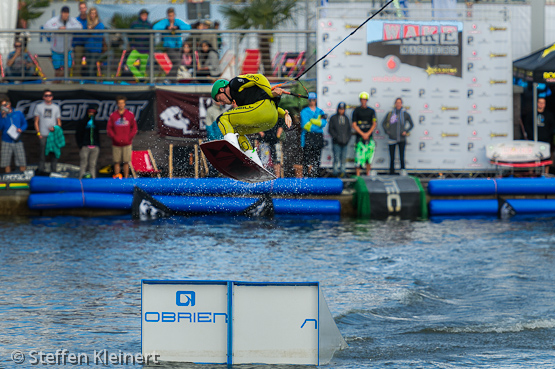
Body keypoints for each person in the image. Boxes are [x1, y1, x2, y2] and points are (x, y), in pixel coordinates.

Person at [211, 75, 291, 167]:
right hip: (270, 119)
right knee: (236, 131)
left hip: (263, 111)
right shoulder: (241, 97)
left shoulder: (234, 83)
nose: (222, 103)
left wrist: (269, 91)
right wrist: (284, 113)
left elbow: (260, 77)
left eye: (220, 99)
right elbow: (267, 102)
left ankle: (232, 148)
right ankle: (256, 162)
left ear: (222, 89)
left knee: (221, 119)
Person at [43, 6, 83, 79]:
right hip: (56, 49)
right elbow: (46, 26)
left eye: (67, 14)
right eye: (64, 13)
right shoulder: (54, 20)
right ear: (61, 13)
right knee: (57, 68)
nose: (65, 15)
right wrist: (58, 29)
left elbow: (80, 27)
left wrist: (67, 29)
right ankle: (58, 83)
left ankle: (57, 81)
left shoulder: (72, 20)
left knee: (68, 67)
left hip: (67, 49)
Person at [152, 8, 191, 78]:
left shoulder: (178, 22)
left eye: (172, 15)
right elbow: (155, 27)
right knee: (177, 62)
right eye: (169, 16)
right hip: (169, 46)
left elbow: (188, 27)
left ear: (174, 15)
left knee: (176, 64)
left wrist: (178, 27)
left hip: (178, 46)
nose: (171, 17)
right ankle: (168, 77)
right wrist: (166, 27)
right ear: (167, 16)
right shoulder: (165, 22)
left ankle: (173, 80)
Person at [107, 96, 138, 179]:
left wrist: (129, 137)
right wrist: (114, 137)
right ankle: (117, 177)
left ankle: (126, 177)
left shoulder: (130, 114)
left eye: (122, 103)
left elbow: (134, 128)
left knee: (126, 161)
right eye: (119, 103)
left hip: (127, 143)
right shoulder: (113, 115)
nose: (121, 105)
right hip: (116, 143)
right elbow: (109, 129)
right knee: (116, 161)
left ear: (124, 104)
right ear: (117, 104)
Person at [382, 97, 414, 175]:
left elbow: (411, 124)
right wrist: (388, 131)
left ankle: (402, 170)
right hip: (392, 138)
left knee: (401, 156)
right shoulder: (391, 114)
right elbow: (383, 123)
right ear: (395, 104)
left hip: (402, 139)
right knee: (392, 157)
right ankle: (391, 172)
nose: (398, 104)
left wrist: (405, 131)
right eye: (397, 102)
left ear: (402, 104)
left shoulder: (405, 114)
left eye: (400, 103)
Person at [524, 97, 555, 174]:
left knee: (546, 158)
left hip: (545, 141)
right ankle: (531, 174)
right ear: (537, 103)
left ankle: (546, 174)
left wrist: (547, 135)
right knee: (532, 157)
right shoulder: (531, 114)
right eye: (540, 102)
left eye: (543, 103)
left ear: (545, 104)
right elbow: (527, 125)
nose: (541, 104)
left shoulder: (549, 115)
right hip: (534, 140)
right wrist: (531, 135)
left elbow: (552, 126)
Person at [34, 90, 62, 173]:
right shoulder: (39, 106)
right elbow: (36, 121)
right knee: (42, 154)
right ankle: (41, 171)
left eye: (49, 95)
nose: (48, 97)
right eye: (46, 95)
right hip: (43, 134)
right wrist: (38, 133)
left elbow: (59, 122)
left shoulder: (56, 107)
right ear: (43, 97)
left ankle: (53, 171)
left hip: (53, 135)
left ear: (52, 97)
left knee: (54, 154)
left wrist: (55, 128)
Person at [300, 92, 327, 177]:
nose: (312, 102)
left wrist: (312, 121)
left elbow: (324, 123)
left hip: (318, 137)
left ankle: (316, 175)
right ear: (308, 101)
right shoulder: (304, 111)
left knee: (317, 158)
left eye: (313, 100)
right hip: (308, 136)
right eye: (310, 100)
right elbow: (306, 126)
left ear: (316, 100)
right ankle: (305, 176)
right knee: (306, 158)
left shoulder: (320, 111)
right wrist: (317, 124)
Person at [0, 95, 27, 173]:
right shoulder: (1, 115)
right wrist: (2, 117)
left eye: (6, 104)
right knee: (6, 162)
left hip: (17, 140)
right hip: (6, 140)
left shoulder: (18, 113)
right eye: (3, 105)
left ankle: (23, 176)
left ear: (10, 104)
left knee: (22, 160)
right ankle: (8, 178)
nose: (5, 106)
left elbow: (25, 123)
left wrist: (21, 129)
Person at [352, 91, 377, 176]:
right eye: (362, 99)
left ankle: (368, 175)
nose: (363, 101)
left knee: (369, 158)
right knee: (358, 158)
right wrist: (362, 134)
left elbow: (374, 124)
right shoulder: (356, 111)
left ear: (367, 100)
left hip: (369, 138)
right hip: (360, 138)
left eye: (365, 100)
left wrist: (368, 133)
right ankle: (358, 176)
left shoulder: (371, 111)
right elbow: (354, 124)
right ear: (360, 100)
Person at [75, 108, 100, 179]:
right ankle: (81, 179)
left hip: (95, 146)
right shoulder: (82, 122)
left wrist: (98, 145)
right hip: (85, 146)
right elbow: (78, 134)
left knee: (93, 164)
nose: (91, 114)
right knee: (83, 163)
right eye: (90, 112)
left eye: (93, 113)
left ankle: (93, 179)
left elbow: (97, 135)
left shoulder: (95, 122)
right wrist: (80, 145)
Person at [328, 102, 352, 177]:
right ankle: (335, 173)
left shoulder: (346, 118)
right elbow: (330, 129)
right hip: (336, 142)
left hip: (345, 142)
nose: (341, 111)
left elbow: (349, 130)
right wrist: (336, 137)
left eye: (343, 109)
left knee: (343, 159)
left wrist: (347, 139)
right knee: (336, 158)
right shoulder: (333, 118)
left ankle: (342, 172)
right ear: (337, 109)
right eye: (340, 109)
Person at [83, 7, 105, 78]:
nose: (92, 15)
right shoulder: (87, 24)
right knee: (88, 67)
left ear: (96, 14)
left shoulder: (100, 24)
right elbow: (84, 35)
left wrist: (91, 31)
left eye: (94, 13)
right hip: (87, 48)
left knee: (91, 69)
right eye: (91, 13)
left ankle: (93, 84)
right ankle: (90, 83)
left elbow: (99, 37)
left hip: (95, 49)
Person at [72, 1, 88, 77]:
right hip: (78, 46)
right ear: (79, 9)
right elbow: (73, 34)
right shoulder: (75, 20)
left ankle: (89, 83)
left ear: (86, 8)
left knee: (89, 65)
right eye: (81, 8)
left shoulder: (91, 20)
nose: (82, 9)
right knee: (77, 65)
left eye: (84, 8)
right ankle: (76, 83)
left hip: (89, 46)